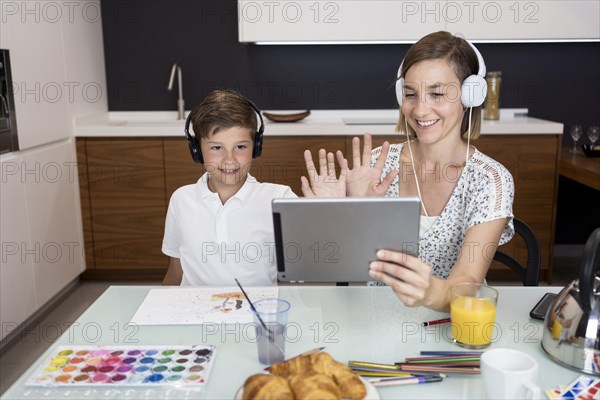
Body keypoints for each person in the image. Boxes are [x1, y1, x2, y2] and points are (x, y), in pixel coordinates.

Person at [301, 31, 514, 312]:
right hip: (376, 319)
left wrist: (427, 291)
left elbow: (468, 282)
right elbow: (342, 275)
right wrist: (341, 220)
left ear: (470, 95)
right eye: (411, 94)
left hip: (450, 323)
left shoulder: (491, 180)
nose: (420, 110)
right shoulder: (375, 166)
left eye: (437, 94)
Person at [162, 89, 297, 286]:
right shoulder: (181, 200)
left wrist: (325, 210)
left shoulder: (279, 199)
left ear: (256, 146)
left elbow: (304, 279)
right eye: (216, 148)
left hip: (256, 313)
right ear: (197, 150)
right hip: (193, 313)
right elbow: (175, 273)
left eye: (240, 147)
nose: (229, 160)